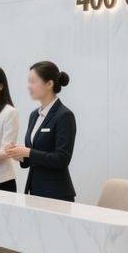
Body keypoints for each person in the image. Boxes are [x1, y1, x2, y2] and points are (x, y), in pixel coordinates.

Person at [6, 61, 76, 201]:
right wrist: (19, 155)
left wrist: (28, 152)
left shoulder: (64, 115)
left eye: (33, 81)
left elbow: (62, 159)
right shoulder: (34, 115)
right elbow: (33, 157)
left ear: (49, 84)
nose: (28, 86)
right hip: (34, 191)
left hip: (56, 194)